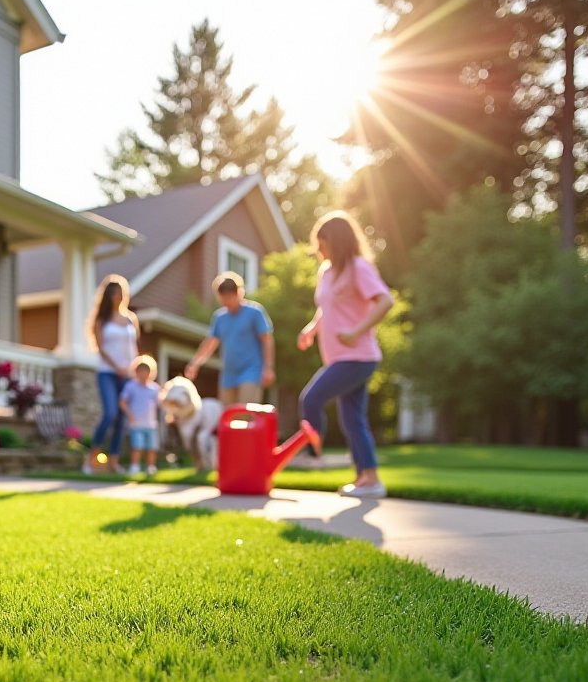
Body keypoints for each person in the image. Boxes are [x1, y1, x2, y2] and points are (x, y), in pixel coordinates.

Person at [296, 211, 395, 499]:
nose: (318, 250)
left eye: (322, 243)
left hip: (358, 356)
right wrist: (312, 328)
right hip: (338, 357)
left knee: (311, 398)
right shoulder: (326, 272)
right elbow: (327, 307)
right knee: (353, 418)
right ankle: (369, 479)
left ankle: (313, 456)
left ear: (337, 241)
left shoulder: (357, 267)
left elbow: (385, 301)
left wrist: (356, 330)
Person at [184, 272, 275, 406]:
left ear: (239, 293)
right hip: (229, 374)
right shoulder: (220, 318)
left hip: (251, 371)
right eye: (223, 298)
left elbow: (267, 340)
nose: (226, 302)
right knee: (227, 415)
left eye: (229, 297)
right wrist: (195, 363)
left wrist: (268, 368)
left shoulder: (255, 312)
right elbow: (210, 343)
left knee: (245, 412)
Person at [83, 275, 141, 475]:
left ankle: (113, 462)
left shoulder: (130, 319)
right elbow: (100, 347)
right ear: (108, 296)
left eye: (121, 293)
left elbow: (134, 349)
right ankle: (92, 459)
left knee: (121, 420)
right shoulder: (102, 320)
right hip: (107, 372)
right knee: (110, 413)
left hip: (128, 375)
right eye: (115, 293)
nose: (119, 297)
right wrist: (116, 366)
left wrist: (134, 370)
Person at [119, 355, 162, 478]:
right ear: (136, 372)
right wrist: (130, 415)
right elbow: (122, 402)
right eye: (140, 371)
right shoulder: (131, 386)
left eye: (146, 371)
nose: (143, 373)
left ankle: (150, 467)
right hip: (136, 423)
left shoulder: (155, 388)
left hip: (150, 423)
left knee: (151, 447)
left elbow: (160, 403)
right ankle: (135, 466)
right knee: (136, 446)